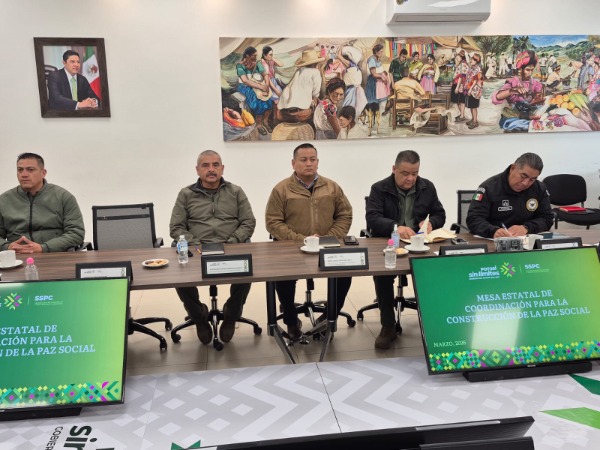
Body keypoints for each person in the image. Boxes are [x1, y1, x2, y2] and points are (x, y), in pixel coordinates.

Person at [265, 143, 353, 341]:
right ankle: (291, 321)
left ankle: (328, 318)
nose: (309, 164)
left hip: (327, 246)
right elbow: (273, 222)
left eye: (313, 159)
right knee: (283, 278)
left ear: (318, 162)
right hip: (293, 248)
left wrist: (328, 238)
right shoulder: (281, 189)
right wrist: (302, 240)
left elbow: (345, 215)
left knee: (345, 274)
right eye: (303, 160)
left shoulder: (332, 187)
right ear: (293, 163)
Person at [169, 150, 256, 345]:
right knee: (178, 272)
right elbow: (176, 227)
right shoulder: (186, 194)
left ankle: (232, 314)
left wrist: (233, 242)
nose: (211, 169)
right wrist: (194, 243)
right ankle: (198, 316)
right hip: (197, 249)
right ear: (197, 170)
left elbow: (248, 222)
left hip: (230, 246)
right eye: (206, 165)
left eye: (215, 165)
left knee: (247, 266)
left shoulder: (236, 192)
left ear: (222, 168)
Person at [366, 150, 445, 349]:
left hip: (419, 244)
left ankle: (435, 322)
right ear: (394, 169)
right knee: (383, 276)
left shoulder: (427, 187)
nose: (410, 178)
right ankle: (388, 326)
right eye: (405, 173)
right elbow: (373, 218)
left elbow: (440, 214)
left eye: (415, 173)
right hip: (389, 244)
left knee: (435, 271)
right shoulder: (379, 188)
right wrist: (395, 227)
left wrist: (431, 223)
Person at [0, 153, 84, 253]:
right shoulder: (4, 200)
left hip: (54, 254)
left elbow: (76, 233)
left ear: (43, 173)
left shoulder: (63, 197)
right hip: (17, 256)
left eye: (30, 170)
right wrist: (7, 246)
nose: (24, 174)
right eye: (20, 170)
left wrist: (43, 248)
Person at [466, 152, 553, 239]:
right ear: (512, 168)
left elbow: (547, 219)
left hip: (527, 241)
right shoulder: (489, 187)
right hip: (495, 241)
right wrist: (493, 231)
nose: (525, 183)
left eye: (532, 179)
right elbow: (473, 219)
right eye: (523, 176)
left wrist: (527, 228)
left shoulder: (539, 188)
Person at [491, 50, 544, 132]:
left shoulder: (535, 83)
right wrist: (512, 90)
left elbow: (538, 97)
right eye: (527, 70)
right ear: (520, 69)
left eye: (532, 70)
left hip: (529, 115)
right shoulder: (513, 82)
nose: (530, 73)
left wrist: (537, 96)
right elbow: (497, 97)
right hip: (514, 117)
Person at [277, 49, 324, 123]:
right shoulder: (316, 72)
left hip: (284, 112)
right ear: (316, 63)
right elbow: (316, 94)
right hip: (301, 113)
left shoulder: (298, 71)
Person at [236, 46, 274, 135]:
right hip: (245, 87)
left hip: (258, 85)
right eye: (254, 56)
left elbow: (265, 75)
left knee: (269, 99)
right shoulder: (240, 65)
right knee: (258, 100)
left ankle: (265, 121)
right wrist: (261, 87)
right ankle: (259, 125)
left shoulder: (257, 63)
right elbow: (245, 80)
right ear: (247, 56)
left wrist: (266, 86)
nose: (256, 57)